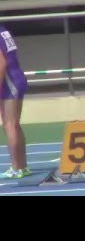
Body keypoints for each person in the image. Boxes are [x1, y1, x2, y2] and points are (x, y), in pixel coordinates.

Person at [0, 25, 30, 179]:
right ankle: (22, 166)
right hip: (17, 76)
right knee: (14, 124)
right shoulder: (4, 30)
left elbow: (2, 62)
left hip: (9, 81)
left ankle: (16, 167)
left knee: (9, 124)